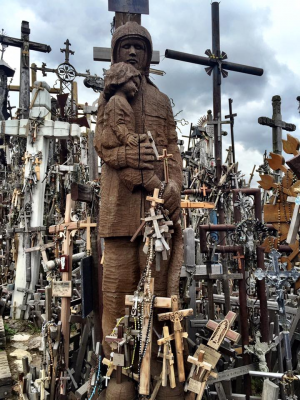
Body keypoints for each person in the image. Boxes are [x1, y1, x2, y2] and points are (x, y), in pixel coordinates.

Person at [94, 21, 185, 399]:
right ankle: (119, 371)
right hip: (119, 210)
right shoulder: (111, 97)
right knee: (118, 289)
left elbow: (173, 150)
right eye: (126, 47)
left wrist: (176, 185)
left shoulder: (161, 101)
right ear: (116, 53)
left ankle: (160, 365)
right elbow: (102, 144)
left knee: (159, 287)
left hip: (158, 211)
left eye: (139, 47)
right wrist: (131, 155)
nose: (133, 53)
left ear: (149, 55)